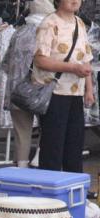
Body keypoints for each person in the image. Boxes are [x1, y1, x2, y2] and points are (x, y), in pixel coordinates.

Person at [33, 0, 94, 172]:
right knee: (53, 144)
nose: (75, 1)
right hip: (54, 92)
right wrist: (72, 68)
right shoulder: (49, 23)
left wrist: (89, 89)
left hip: (75, 93)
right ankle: (50, 191)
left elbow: (86, 59)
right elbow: (40, 60)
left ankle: (74, 188)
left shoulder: (80, 23)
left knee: (74, 144)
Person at [2, 0, 55, 168]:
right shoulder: (50, 32)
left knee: (22, 132)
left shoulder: (18, 33)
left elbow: (5, 64)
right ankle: (40, 156)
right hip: (42, 90)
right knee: (49, 126)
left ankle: (22, 166)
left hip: (18, 92)